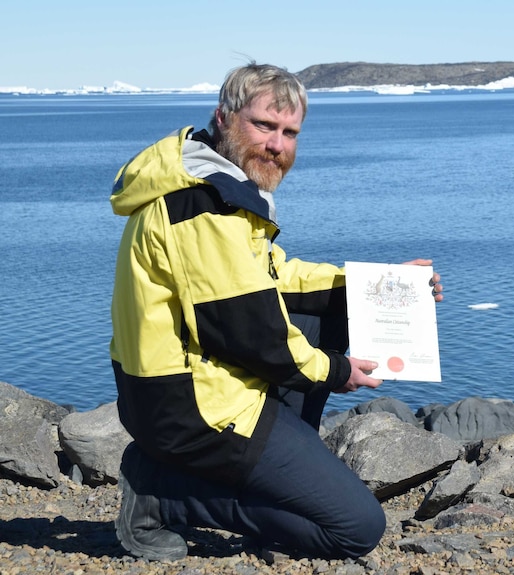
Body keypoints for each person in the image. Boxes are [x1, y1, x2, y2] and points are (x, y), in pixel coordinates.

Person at [109, 62, 443, 562]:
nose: (277, 145)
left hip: (192, 386)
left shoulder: (219, 183)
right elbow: (251, 332)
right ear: (223, 117)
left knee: (336, 305)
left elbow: (274, 277)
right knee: (356, 529)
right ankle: (165, 494)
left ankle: (267, 475)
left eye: (290, 133)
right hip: (187, 405)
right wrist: (334, 371)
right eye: (264, 125)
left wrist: (379, 285)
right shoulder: (205, 203)